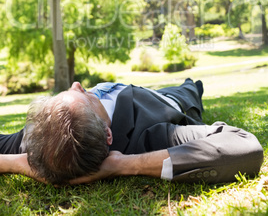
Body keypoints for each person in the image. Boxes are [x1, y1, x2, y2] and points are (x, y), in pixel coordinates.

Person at [0, 78, 264, 185]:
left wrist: (20, 162)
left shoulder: (38, 137)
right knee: (189, 87)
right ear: (108, 136)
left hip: (124, 87)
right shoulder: (149, 135)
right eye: (82, 96)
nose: (77, 84)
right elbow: (245, 149)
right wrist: (122, 165)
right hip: (165, 99)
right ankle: (191, 85)